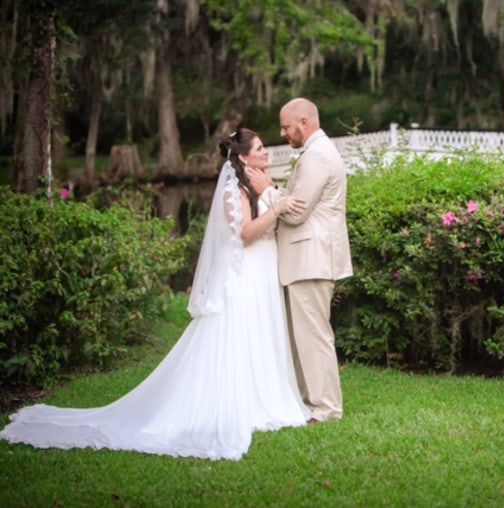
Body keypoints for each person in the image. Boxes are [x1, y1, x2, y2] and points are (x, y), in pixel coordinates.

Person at [0, 129, 310, 460]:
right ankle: (240, 401)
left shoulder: (263, 179)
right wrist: (276, 210)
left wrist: (274, 196)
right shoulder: (233, 193)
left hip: (264, 268)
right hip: (248, 270)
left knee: (261, 333)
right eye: (261, 148)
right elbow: (247, 234)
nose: (267, 152)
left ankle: (265, 395)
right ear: (244, 157)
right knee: (243, 332)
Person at [247, 98, 353, 424]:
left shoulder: (318, 156)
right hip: (308, 258)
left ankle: (326, 410)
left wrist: (266, 190)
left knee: (314, 336)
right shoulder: (314, 153)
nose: (283, 133)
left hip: (312, 257)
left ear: (304, 123)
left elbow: (295, 212)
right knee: (305, 336)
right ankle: (311, 403)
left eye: (286, 126)